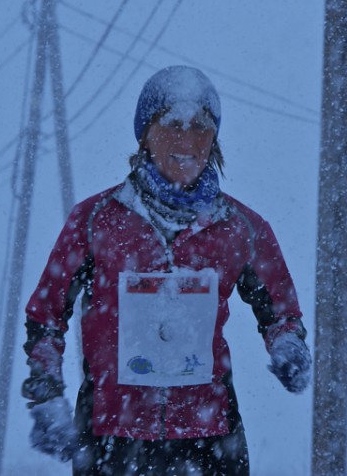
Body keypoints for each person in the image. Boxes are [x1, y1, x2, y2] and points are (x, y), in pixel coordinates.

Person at [21, 66, 311, 475]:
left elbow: (281, 313)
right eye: (172, 124)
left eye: (201, 127)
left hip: (209, 437)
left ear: (215, 139)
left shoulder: (240, 228)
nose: (187, 140)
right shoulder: (96, 221)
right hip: (112, 437)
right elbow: (46, 316)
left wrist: (288, 347)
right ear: (144, 133)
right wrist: (47, 394)